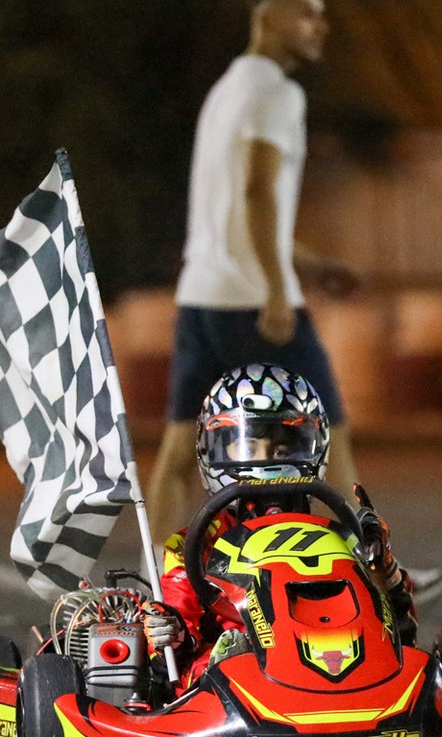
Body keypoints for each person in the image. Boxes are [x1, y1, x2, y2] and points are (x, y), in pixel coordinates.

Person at [148, 0, 361, 539]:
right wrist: (275, 289)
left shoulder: (225, 91)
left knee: (179, 453)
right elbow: (258, 189)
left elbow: (236, 213)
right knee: (327, 436)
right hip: (253, 303)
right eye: (306, 13)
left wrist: (311, 265)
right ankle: (371, 568)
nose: (320, 26)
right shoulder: (278, 93)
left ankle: (159, 578)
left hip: (201, 298)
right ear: (268, 15)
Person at [141, 364, 418, 683]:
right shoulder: (194, 547)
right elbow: (172, 657)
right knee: (219, 658)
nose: (265, 462)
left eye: (282, 449)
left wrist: (384, 569)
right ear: (211, 450)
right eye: (248, 448)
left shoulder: (340, 539)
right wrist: (170, 633)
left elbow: (403, 635)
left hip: (332, 663)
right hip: (233, 685)